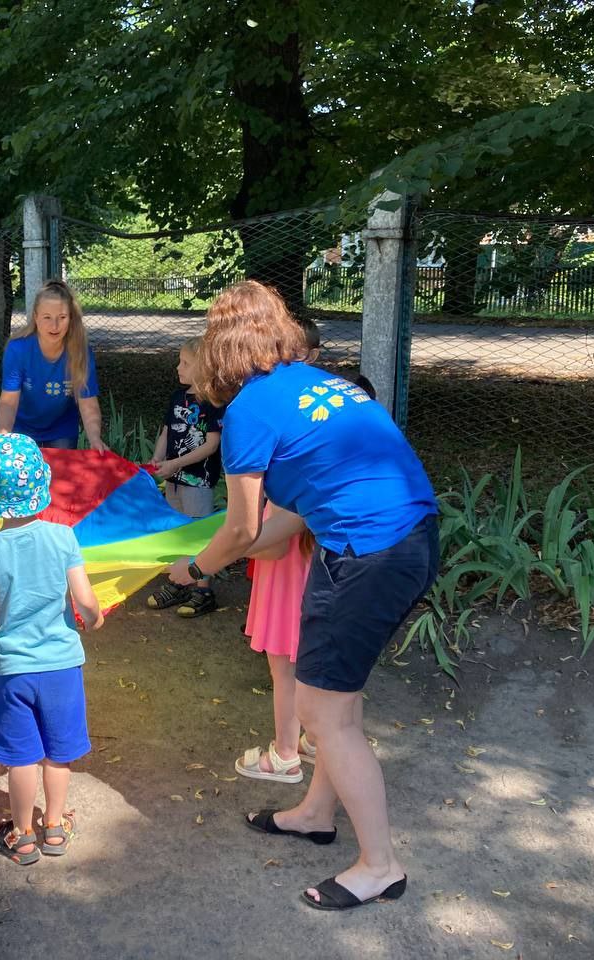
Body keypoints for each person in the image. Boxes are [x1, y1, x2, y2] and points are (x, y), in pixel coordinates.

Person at [164, 281, 438, 913]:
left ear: (222, 347)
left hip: (368, 554)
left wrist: (198, 568)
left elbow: (238, 528)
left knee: (325, 716)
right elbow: (285, 515)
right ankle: (317, 812)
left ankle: (380, 866)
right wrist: (240, 548)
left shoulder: (248, 411)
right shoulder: (317, 382)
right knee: (335, 703)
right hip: (406, 539)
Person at [0, 434, 104, 866]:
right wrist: (93, 619)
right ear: (41, 488)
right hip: (62, 668)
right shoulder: (63, 538)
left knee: (21, 758)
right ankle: (54, 826)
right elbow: (85, 601)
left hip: (14, 671)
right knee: (58, 754)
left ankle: (23, 835)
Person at [145, 336, 225, 618]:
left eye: (186, 363)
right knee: (179, 530)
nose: (179, 367)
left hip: (197, 481)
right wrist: (158, 458)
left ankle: (202, 589)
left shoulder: (212, 402)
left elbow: (211, 444)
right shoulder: (177, 398)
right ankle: (180, 579)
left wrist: (176, 464)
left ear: (204, 368)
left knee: (198, 533)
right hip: (173, 479)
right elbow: (167, 432)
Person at [234, 505, 314, 784]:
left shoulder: (287, 472)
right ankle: (314, 739)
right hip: (306, 570)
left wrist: (215, 549)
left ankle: (285, 755)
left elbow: (274, 546)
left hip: (287, 577)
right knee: (306, 664)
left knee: (285, 672)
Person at [0, 280, 108, 452]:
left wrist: (94, 438)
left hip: (62, 430)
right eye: (47, 317)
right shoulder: (18, 349)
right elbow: (8, 402)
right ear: (35, 317)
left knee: (60, 477)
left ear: (70, 318)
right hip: (23, 429)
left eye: (62, 318)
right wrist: (4, 435)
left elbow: (88, 403)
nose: (54, 326)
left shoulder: (80, 352)